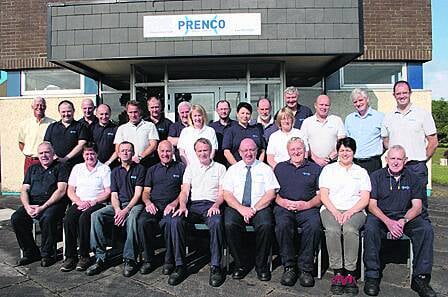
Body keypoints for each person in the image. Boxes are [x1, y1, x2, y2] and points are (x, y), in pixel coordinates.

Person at [363, 145, 436, 297]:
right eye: (393, 158)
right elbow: (372, 205)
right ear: (386, 159)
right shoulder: (376, 176)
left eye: (399, 159)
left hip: (405, 216)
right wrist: (388, 222)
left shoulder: (413, 178)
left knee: (425, 229)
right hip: (381, 215)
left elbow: (417, 206)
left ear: (405, 160)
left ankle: (420, 278)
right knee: (370, 227)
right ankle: (372, 275)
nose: (395, 162)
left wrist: (403, 221)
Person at [170, 138, 227, 287]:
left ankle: (216, 266)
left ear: (210, 151)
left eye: (205, 150)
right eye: (200, 151)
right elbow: (184, 190)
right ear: (195, 152)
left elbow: (222, 193)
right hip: (193, 206)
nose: (203, 153)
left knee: (216, 222)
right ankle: (180, 265)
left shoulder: (220, 168)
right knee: (176, 221)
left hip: (211, 205)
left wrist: (216, 205)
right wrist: (182, 206)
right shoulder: (190, 168)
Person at [319, 137, 371, 295]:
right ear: (338, 152)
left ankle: (350, 273)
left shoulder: (361, 172)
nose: (345, 153)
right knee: (333, 230)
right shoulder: (329, 170)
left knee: (349, 229)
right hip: (330, 209)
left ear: (353, 152)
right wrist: (335, 211)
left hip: (355, 210)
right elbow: (324, 195)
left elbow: (365, 198)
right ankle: (337, 272)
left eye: (348, 150)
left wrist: (350, 212)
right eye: (342, 150)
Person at [86, 141, 146, 277]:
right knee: (96, 215)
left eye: (128, 150)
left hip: (135, 205)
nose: (125, 152)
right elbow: (114, 195)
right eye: (122, 150)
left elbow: (138, 194)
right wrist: (118, 209)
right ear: (118, 154)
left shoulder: (140, 169)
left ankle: (130, 259)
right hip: (118, 205)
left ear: (133, 153)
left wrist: (126, 211)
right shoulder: (114, 172)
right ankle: (100, 257)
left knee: (132, 219)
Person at [223, 138, 279, 281]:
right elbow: (227, 195)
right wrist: (242, 209)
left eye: (252, 150)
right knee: (229, 224)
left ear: (257, 151)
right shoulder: (232, 170)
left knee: (266, 225)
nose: (249, 153)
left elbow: (271, 193)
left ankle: (261, 265)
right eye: (245, 150)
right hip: (237, 207)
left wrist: (253, 209)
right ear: (240, 153)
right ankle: (240, 264)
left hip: (259, 206)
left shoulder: (265, 169)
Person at [382, 80, 438, 210]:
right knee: (396, 205)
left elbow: (433, 142)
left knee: (419, 207)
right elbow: (386, 142)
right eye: (398, 93)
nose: (402, 96)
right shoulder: (388, 117)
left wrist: (422, 159)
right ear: (394, 95)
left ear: (410, 93)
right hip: (395, 168)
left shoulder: (422, 114)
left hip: (416, 167)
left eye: (405, 93)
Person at [11, 142, 68, 267]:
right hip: (33, 203)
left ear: (53, 154)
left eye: (47, 152)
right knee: (17, 218)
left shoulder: (61, 167)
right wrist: (27, 206)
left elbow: (61, 190)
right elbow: (24, 190)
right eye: (41, 153)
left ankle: (47, 254)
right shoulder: (32, 169)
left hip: (54, 203)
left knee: (47, 217)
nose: (44, 155)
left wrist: (44, 207)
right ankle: (30, 252)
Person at [273, 137, 321, 287]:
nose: (296, 152)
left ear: (305, 150)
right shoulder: (279, 168)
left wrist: (306, 205)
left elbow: (321, 196)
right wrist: (281, 202)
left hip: (307, 207)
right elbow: (272, 192)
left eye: (299, 149)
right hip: (284, 206)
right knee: (282, 225)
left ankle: (305, 268)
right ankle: (289, 267)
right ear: (288, 152)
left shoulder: (315, 169)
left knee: (314, 226)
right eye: (293, 149)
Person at [60, 142, 111, 272]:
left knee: (84, 219)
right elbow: (70, 190)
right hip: (79, 202)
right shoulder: (77, 168)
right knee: (69, 219)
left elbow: (107, 191)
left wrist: (94, 201)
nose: (89, 156)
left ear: (97, 154)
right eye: (87, 154)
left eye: (92, 153)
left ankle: (84, 256)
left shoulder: (104, 168)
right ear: (83, 155)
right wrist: (78, 201)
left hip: (97, 203)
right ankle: (70, 257)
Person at [137, 140, 185, 276]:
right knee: (142, 222)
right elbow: (146, 192)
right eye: (162, 151)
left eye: (168, 151)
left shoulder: (180, 168)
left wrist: (175, 203)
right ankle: (149, 260)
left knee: (170, 223)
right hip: (154, 205)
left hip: (172, 206)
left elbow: (184, 191)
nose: (165, 154)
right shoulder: (152, 170)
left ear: (173, 152)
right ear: (158, 152)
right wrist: (147, 203)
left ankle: (169, 261)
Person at [345, 88, 384, 174]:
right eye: (355, 102)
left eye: (360, 100)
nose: (358, 104)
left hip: (373, 163)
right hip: (354, 163)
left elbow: (385, 140)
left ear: (367, 99)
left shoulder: (380, 117)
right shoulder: (349, 119)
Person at [301, 94, 346, 167]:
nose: (323, 107)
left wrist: (330, 157)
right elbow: (304, 143)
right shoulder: (307, 122)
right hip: (312, 163)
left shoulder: (337, 120)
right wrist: (315, 158)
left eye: (326, 105)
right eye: (321, 104)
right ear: (315, 105)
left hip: (333, 163)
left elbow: (342, 142)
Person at [44, 100, 90, 168]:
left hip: (75, 165)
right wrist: (55, 157)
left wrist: (66, 158)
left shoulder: (81, 126)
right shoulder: (52, 127)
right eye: (63, 112)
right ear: (59, 112)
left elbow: (82, 144)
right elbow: (46, 144)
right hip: (55, 164)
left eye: (69, 111)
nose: (66, 114)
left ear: (73, 111)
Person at [113, 100, 159, 168]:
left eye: (135, 112)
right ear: (127, 113)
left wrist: (140, 157)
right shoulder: (122, 128)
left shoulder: (150, 126)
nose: (133, 115)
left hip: (146, 163)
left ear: (140, 112)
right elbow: (118, 147)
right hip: (128, 165)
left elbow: (153, 145)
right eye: (130, 112)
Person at [18, 97, 55, 174]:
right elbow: (21, 143)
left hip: (47, 161)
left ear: (45, 107)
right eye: (37, 105)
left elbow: (55, 143)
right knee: (29, 185)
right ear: (32, 107)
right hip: (30, 161)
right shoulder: (24, 124)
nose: (39, 107)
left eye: (42, 105)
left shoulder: (53, 124)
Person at [209, 99, 235, 166]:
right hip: (216, 163)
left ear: (230, 110)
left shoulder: (236, 126)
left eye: (226, 109)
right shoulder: (211, 128)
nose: (223, 111)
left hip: (233, 163)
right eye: (221, 109)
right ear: (217, 110)